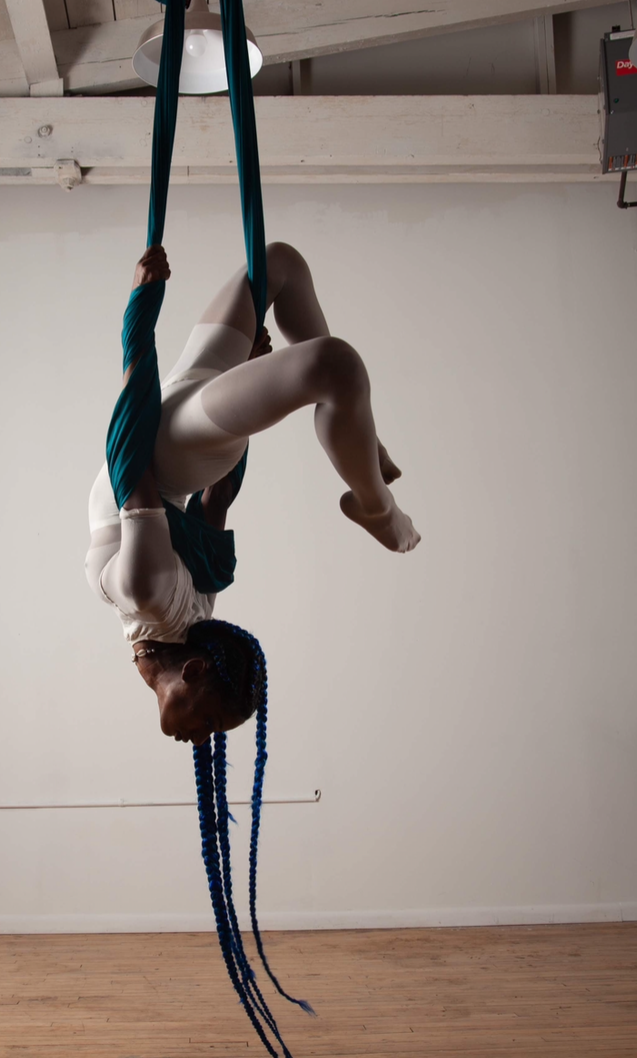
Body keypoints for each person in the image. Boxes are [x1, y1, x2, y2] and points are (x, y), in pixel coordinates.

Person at [85, 241, 420, 747]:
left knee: (279, 267)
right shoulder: (161, 604)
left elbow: (134, 455)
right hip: (182, 438)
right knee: (332, 362)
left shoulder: (172, 609)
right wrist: (239, 387)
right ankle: (375, 504)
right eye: (210, 725)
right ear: (195, 670)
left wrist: (142, 311)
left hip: (177, 424)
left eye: (208, 727)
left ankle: (360, 436)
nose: (200, 740)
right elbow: (165, 475)